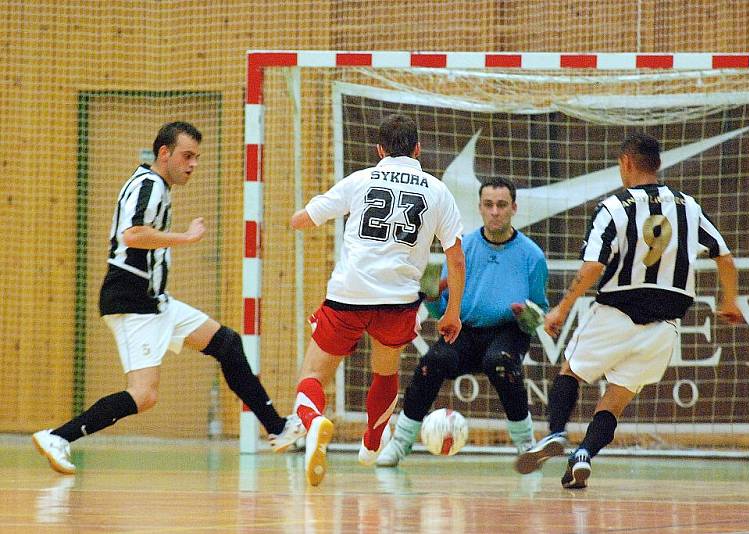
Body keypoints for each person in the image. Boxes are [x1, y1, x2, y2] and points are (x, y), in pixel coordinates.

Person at [33, 121, 304, 474]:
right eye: (186, 156)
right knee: (144, 395)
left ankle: (279, 428)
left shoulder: (157, 186)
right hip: (131, 301)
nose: (192, 164)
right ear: (164, 153)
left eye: (196, 158)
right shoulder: (149, 185)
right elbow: (132, 235)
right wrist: (187, 238)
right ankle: (58, 437)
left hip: (156, 300)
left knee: (227, 343)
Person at [515, 132, 744, 488]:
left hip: (615, 313)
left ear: (625, 163)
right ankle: (584, 455)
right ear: (658, 164)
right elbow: (725, 258)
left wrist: (561, 308)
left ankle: (557, 434)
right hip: (664, 326)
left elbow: (593, 266)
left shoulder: (613, 207)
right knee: (616, 399)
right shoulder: (689, 206)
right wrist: (729, 301)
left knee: (570, 371)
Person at [289, 113, 466, 486]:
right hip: (398, 300)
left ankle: (314, 421)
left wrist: (298, 217)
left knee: (312, 376)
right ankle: (372, 442)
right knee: (385, 371)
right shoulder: (437, 190)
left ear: (379, 150)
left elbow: (304, 219)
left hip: (348, 295)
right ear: (418, 149)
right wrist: (452, 313)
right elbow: (456, 257)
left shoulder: (361, 179)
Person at [376, 176, 549, 467]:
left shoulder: (532, 256)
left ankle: (525, 446)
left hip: (508, 332)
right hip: (464, 331)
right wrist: (430, 298)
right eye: (489, 205)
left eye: (502, 205)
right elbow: (442, 310)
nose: (495, 211)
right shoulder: (461, 248)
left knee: (501, 362)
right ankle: (400, 443)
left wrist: (529, 317)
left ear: (514, 208)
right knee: (432, 363)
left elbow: (538, 313)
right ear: (480, 208)